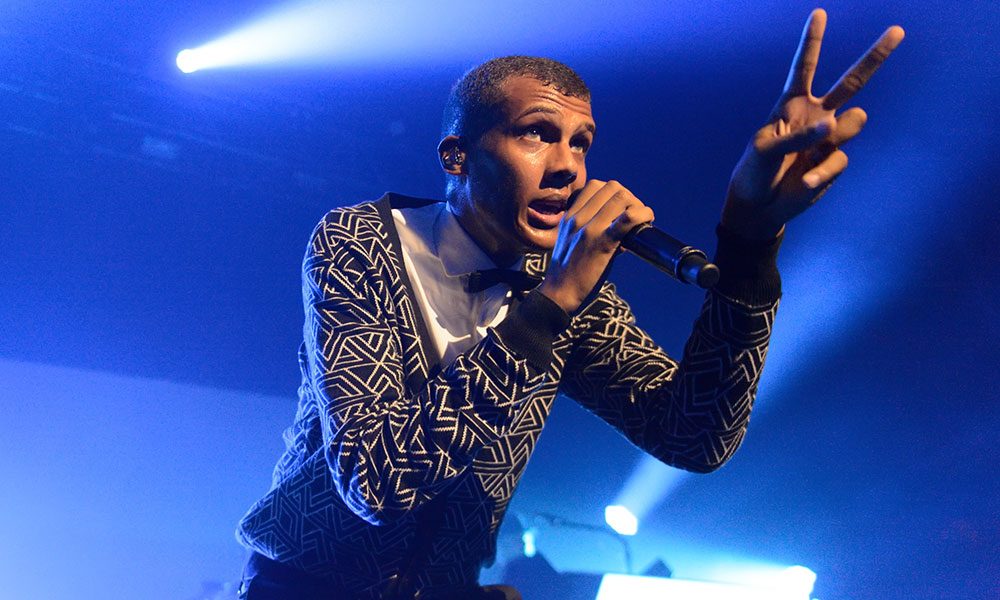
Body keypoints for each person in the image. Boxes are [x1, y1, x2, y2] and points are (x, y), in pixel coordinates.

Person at [235, 10, 903, 599]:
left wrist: (750, 244)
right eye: (536, 133)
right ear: (457, 155)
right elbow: (377, 483)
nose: (568, 167)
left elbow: (694, 436)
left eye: (581, 143)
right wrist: (551, 304)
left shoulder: (568, 293)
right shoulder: (361, 241)